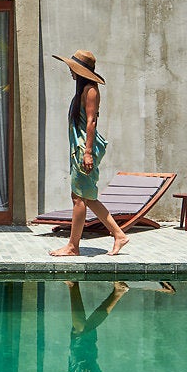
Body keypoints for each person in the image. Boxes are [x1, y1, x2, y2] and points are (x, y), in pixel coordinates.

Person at [48, 50, 129, 257]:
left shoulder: (90, 90)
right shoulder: (83, 90)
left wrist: (88, 152)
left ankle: (73, 247)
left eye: (72, 68)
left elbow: (92, 121)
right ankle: (119, 235)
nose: (70, 71)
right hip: (81, 148)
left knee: (78, 198)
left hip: (85, 149)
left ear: (81, 70)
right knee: (88, 197)